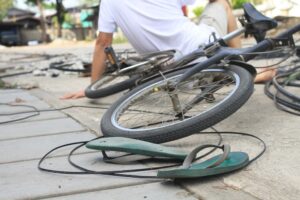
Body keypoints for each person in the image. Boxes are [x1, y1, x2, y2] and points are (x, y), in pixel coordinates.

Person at [61, 0, 272, 99]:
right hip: (203, 50)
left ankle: (224, 73)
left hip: (164, 70)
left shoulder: (109, 1)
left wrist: (92, 89)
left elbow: (102, 44)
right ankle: (242, 70)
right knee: (222, 3)